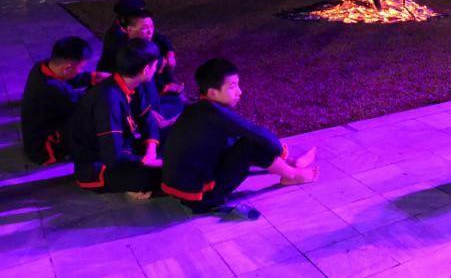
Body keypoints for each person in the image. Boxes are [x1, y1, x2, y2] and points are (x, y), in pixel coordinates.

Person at [162, 59, 319, 217]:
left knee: (243, 141)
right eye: (232, 86)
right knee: (251, 144)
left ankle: (288, 164)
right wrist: (281, 151)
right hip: (203, 199)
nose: (240, 91)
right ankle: (292, 175)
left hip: (186, 193)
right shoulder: (216, 113)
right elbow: (257, 133)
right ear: (212, 93)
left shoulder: (197, 108)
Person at [70, 39, 163, 196]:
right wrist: (145, 162)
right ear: (146, 69)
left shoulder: (132, 84)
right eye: (155, 65)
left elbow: (148, 120)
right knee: (171, 175)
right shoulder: (108, 100)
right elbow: (113, 156)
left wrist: (151, 150)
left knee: (176, 139)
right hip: (99, 165)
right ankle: (137, 186)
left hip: (126, 147)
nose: (156, 69)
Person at [21, 37, 109, 165]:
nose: (82, 70)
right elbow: (85, 105)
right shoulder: (53, 89)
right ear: (67, 67)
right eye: (81, 67)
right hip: (43, 150)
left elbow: (70, 77)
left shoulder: (42, 66)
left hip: (37, 135)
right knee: (93, 119)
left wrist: (94, 77)